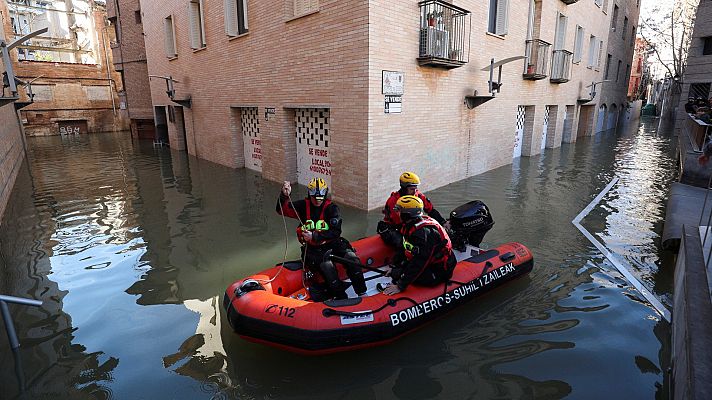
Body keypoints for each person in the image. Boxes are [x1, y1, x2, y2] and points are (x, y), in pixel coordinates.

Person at [277, 177, 367, 300]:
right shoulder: (303, 206)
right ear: (310, 194)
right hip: (314, 248)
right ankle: (341, 297)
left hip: (332, 243)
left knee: (352, 259)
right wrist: (284, 195)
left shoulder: (332, 208)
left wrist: (314, 236)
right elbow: (281, 210)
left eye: (321, 198)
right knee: (327, 268)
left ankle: (362, 292)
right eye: (315, 198)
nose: (318, 201)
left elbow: (336, 232)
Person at [381, 195, 456, 295]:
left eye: (399, 211)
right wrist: (395, 265)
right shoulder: (410, 225)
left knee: (401, 274)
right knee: (397, 271)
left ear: (407, 214)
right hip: (430, 262)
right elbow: (405, 247)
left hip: (440, 270)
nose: (397, 214)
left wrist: (400, 285)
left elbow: (420, 262)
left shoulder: (423, 234)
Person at [377, 171, 447, 248]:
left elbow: (431, 210)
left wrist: (443, 223)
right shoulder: (394, 201)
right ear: (404, 188)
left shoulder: (417, 196)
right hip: (396, 227)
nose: (414, 192)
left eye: (415, 188)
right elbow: (399, 223)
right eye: (412, 189)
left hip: (412, 223)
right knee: (404, 244)